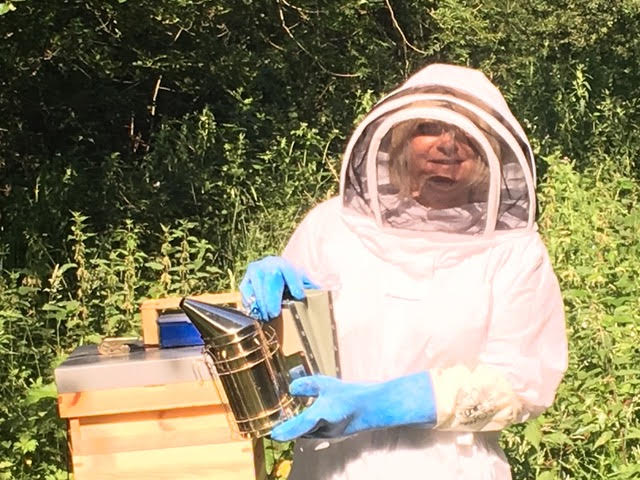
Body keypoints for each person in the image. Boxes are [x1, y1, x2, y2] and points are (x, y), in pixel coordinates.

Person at [239, 63, 568, 479]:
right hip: (330, 468)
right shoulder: (331, 227)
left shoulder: (513, 252)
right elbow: (280, 354)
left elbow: (521, 382)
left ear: (491, 154)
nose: (448, 146)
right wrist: (259, 309)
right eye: (429, 127)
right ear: (398, 139)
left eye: (469, 133)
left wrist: (381, 404)